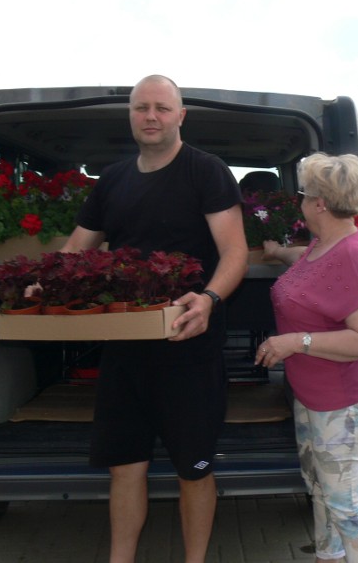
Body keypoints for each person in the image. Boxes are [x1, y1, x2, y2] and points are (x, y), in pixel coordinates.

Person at [62, 74, 249, 563]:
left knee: (194, 469)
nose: (151, 116)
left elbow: (235, 254)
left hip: (189, 346)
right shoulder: (114, 180)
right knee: (124, 467)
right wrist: (45, 282)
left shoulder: (205, 172)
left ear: (180, 115)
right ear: (130, 114)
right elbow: (75, 251)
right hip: (124, 350)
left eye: (162, 108)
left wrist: (207, 298)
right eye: (142, 107)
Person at [253, 153, 358, 563]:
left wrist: (297, 341)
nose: (300, 201)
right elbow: (310, 268)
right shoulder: (323, 245)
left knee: (346, 505)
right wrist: (279, 253)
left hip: (345, 398)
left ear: (320, 204)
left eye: (304, 194)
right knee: (322, 493)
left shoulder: (353, 255)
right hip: (313, 394)